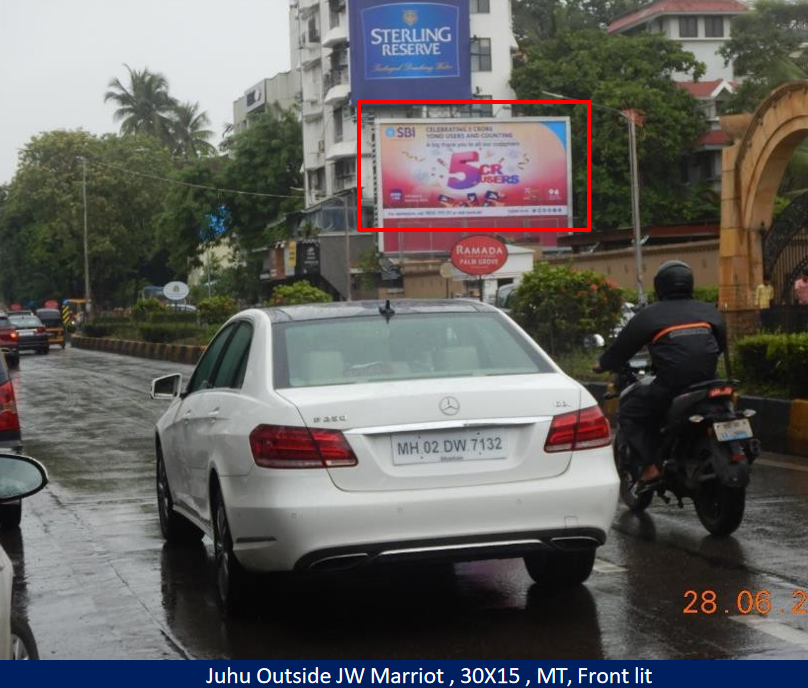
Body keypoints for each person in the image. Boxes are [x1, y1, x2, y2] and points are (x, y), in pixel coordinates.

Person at [593, 261, 727, 488]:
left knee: (630, 412)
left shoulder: (650, 315)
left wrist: (602, 365)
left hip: (672, 385)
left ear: (659, 286)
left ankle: (650, 467)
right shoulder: (708, 310)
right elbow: (721, 345)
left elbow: (621, 350)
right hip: (709, 383)